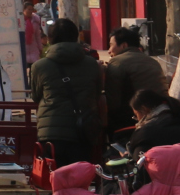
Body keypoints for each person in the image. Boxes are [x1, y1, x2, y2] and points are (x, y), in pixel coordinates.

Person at [28, 18, 104, 167]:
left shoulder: (39, 66)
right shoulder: (91, 64)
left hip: (51, 132)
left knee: (54, 181)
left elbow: (36, 96)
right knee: (79, 181)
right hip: (83, 131)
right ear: (76, 37)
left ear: (50, 39)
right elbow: (96, 94)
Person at [103, 26, 164, 142]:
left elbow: (113, 103)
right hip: (161, 114)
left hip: (135, 120)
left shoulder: (117, 62)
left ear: (124, 46)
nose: (109, 51)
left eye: (111, 45)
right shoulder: (153, 62)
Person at [124, 90, 180, 174]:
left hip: (164, 181)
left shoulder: (146, 132)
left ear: (144, 109)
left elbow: (138, 163)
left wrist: (129, 154)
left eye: (136, 115)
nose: (137, 119)